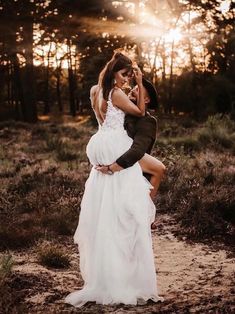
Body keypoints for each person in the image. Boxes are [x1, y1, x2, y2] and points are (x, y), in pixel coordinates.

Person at [65, 51, 164, 307]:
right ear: (114, 72)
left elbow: (104, 119)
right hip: (115, 146)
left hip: (99, 142)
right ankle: (126, 277)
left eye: (129, 76)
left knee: (106, 211)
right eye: (124, 74)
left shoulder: (94, 90)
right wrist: (140, 84)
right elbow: (142, 111)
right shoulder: (116, 93)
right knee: (124, 214)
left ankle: (107, 275)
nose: (126, 80)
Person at [96, 77, 166, 202]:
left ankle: (146, 209)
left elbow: (137, 151)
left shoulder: (147, 121)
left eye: (138, 89)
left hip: (129, 166)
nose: (132, 90)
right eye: (134, 87)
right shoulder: (121, 112)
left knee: (159, 169)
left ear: (146, 99)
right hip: (114, 164)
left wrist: (111, 168)